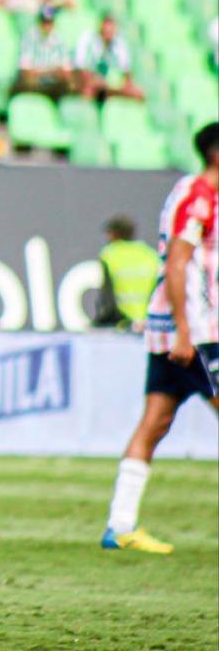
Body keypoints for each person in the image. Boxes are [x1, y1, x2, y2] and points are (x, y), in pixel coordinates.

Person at [102, 122, 219, 554]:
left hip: (177, 330)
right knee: (154, 423)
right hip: (197, 333)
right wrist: (186, 334)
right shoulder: (200, 198)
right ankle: (120, 525)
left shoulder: (197, 194)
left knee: (156, 421)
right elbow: (177, 264)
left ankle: (120, 524)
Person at [94, 215, 160, 329]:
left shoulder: (109, 254)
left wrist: (101, 321)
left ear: (114, 234)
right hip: (149, 323)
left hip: (123, 324)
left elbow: (107, 296)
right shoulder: (150, 254)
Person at [74, 14, 142, 101]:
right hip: (87, 81)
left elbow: (127, 72)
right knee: (88, 91)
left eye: (111, 30)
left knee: (137, 93)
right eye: (105, 30)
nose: (108, 33)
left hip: (108, 85)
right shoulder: (87, 39)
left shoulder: (119, 43)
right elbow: (80, 68)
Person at [13, 5, 71, 99]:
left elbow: (66, 72)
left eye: (50, 22)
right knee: (28, 82)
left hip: (52, 84)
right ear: (39, 22)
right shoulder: (29, 38)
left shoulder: (60, 40)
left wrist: (40, 72)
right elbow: (26, 72)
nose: (47, 25)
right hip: (35, 83)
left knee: (68, 85)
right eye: (44, 22)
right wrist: (52, 71)